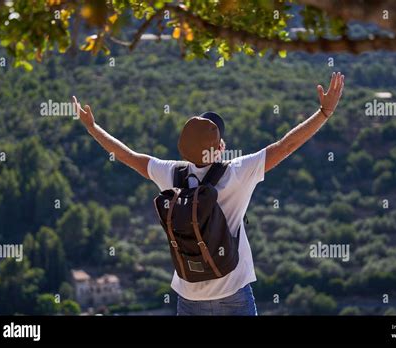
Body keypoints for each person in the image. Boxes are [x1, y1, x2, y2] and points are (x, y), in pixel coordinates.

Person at [72, 72, 344, 315]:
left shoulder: (170, 174)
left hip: (189, 296)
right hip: (232, 293)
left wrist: (92, 128)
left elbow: (127, 155)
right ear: (220, 147)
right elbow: (286, 145)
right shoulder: (237, 173)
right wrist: (324, 113)